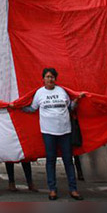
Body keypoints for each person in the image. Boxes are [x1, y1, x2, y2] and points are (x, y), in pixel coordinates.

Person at [18, 67, 84, 200]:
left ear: (55, 79)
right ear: (43, 79)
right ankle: (52, 189)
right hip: (48, 132)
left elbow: (70, 107)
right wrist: (18, 107)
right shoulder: (39, 93)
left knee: (68, 161)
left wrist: (77, 100)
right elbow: (32, 108)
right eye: (47, 77)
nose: (50, 79)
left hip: (65, 131)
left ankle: (73, 189)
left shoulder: (62, 91)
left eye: (52, 77)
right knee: (50, 160)